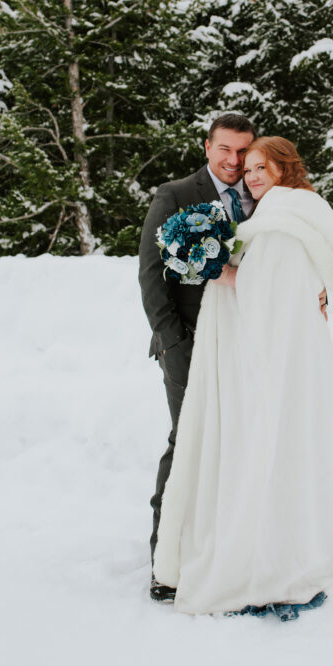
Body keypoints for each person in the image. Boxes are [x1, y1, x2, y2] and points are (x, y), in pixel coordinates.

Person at [153, 137, 333, 616]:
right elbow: (289, 284)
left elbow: (272, 290)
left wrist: (216, 270)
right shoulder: (286, 211)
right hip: (256, 353)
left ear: (283, 167)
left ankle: (268, 562)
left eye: (259, 166)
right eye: (246, 167)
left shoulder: (281, 217)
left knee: (261, 451)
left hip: (272, 360)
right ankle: (193, 554)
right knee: (248, 447)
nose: (249, 174)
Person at [138, 112, 256, 601]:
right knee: (187, 440)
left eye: (243, 151)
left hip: (248, 343)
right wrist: (174, 346)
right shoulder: (175, 195)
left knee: (239, 444)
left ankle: (222, 549)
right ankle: (164, 559)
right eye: (225, 149)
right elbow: (151, 277)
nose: (234, 161)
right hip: (188, 342)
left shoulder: (265, 197)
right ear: (207, 147)